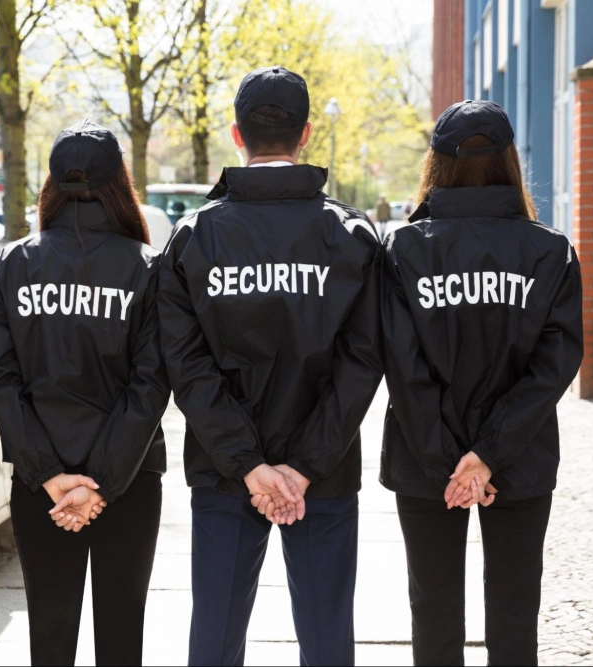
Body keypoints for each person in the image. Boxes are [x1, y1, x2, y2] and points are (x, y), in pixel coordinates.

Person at [159, 66, 383, 666]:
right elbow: (363, 364)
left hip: (224, 470)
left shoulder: (192, 237)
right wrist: (303, 467)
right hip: (325, 472)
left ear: (237, 135)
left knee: (215, 634)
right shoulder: (353, 235)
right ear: (306, 133)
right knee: (328, 636)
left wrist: (251, 466)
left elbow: (187, 368)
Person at [380, 99, 583, 666]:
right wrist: (487, 456)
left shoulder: (403, 249)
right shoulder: (550, 250)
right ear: (510, 163)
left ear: (436, 164)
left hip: (427, 462)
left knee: (435, 612)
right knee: (516, 614)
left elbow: (403, 366)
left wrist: (451, 458)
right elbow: (553, 369)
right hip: (520, 455)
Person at [0, 120, 170, 666]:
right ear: (121, 185)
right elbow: (152, 383)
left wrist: (50, 476)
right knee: (122, 634)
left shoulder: (14, 264)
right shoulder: (147, 268)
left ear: (51, 185)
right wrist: (103, 484)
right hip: (129, 480)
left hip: (44, 485)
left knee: (50, 633)